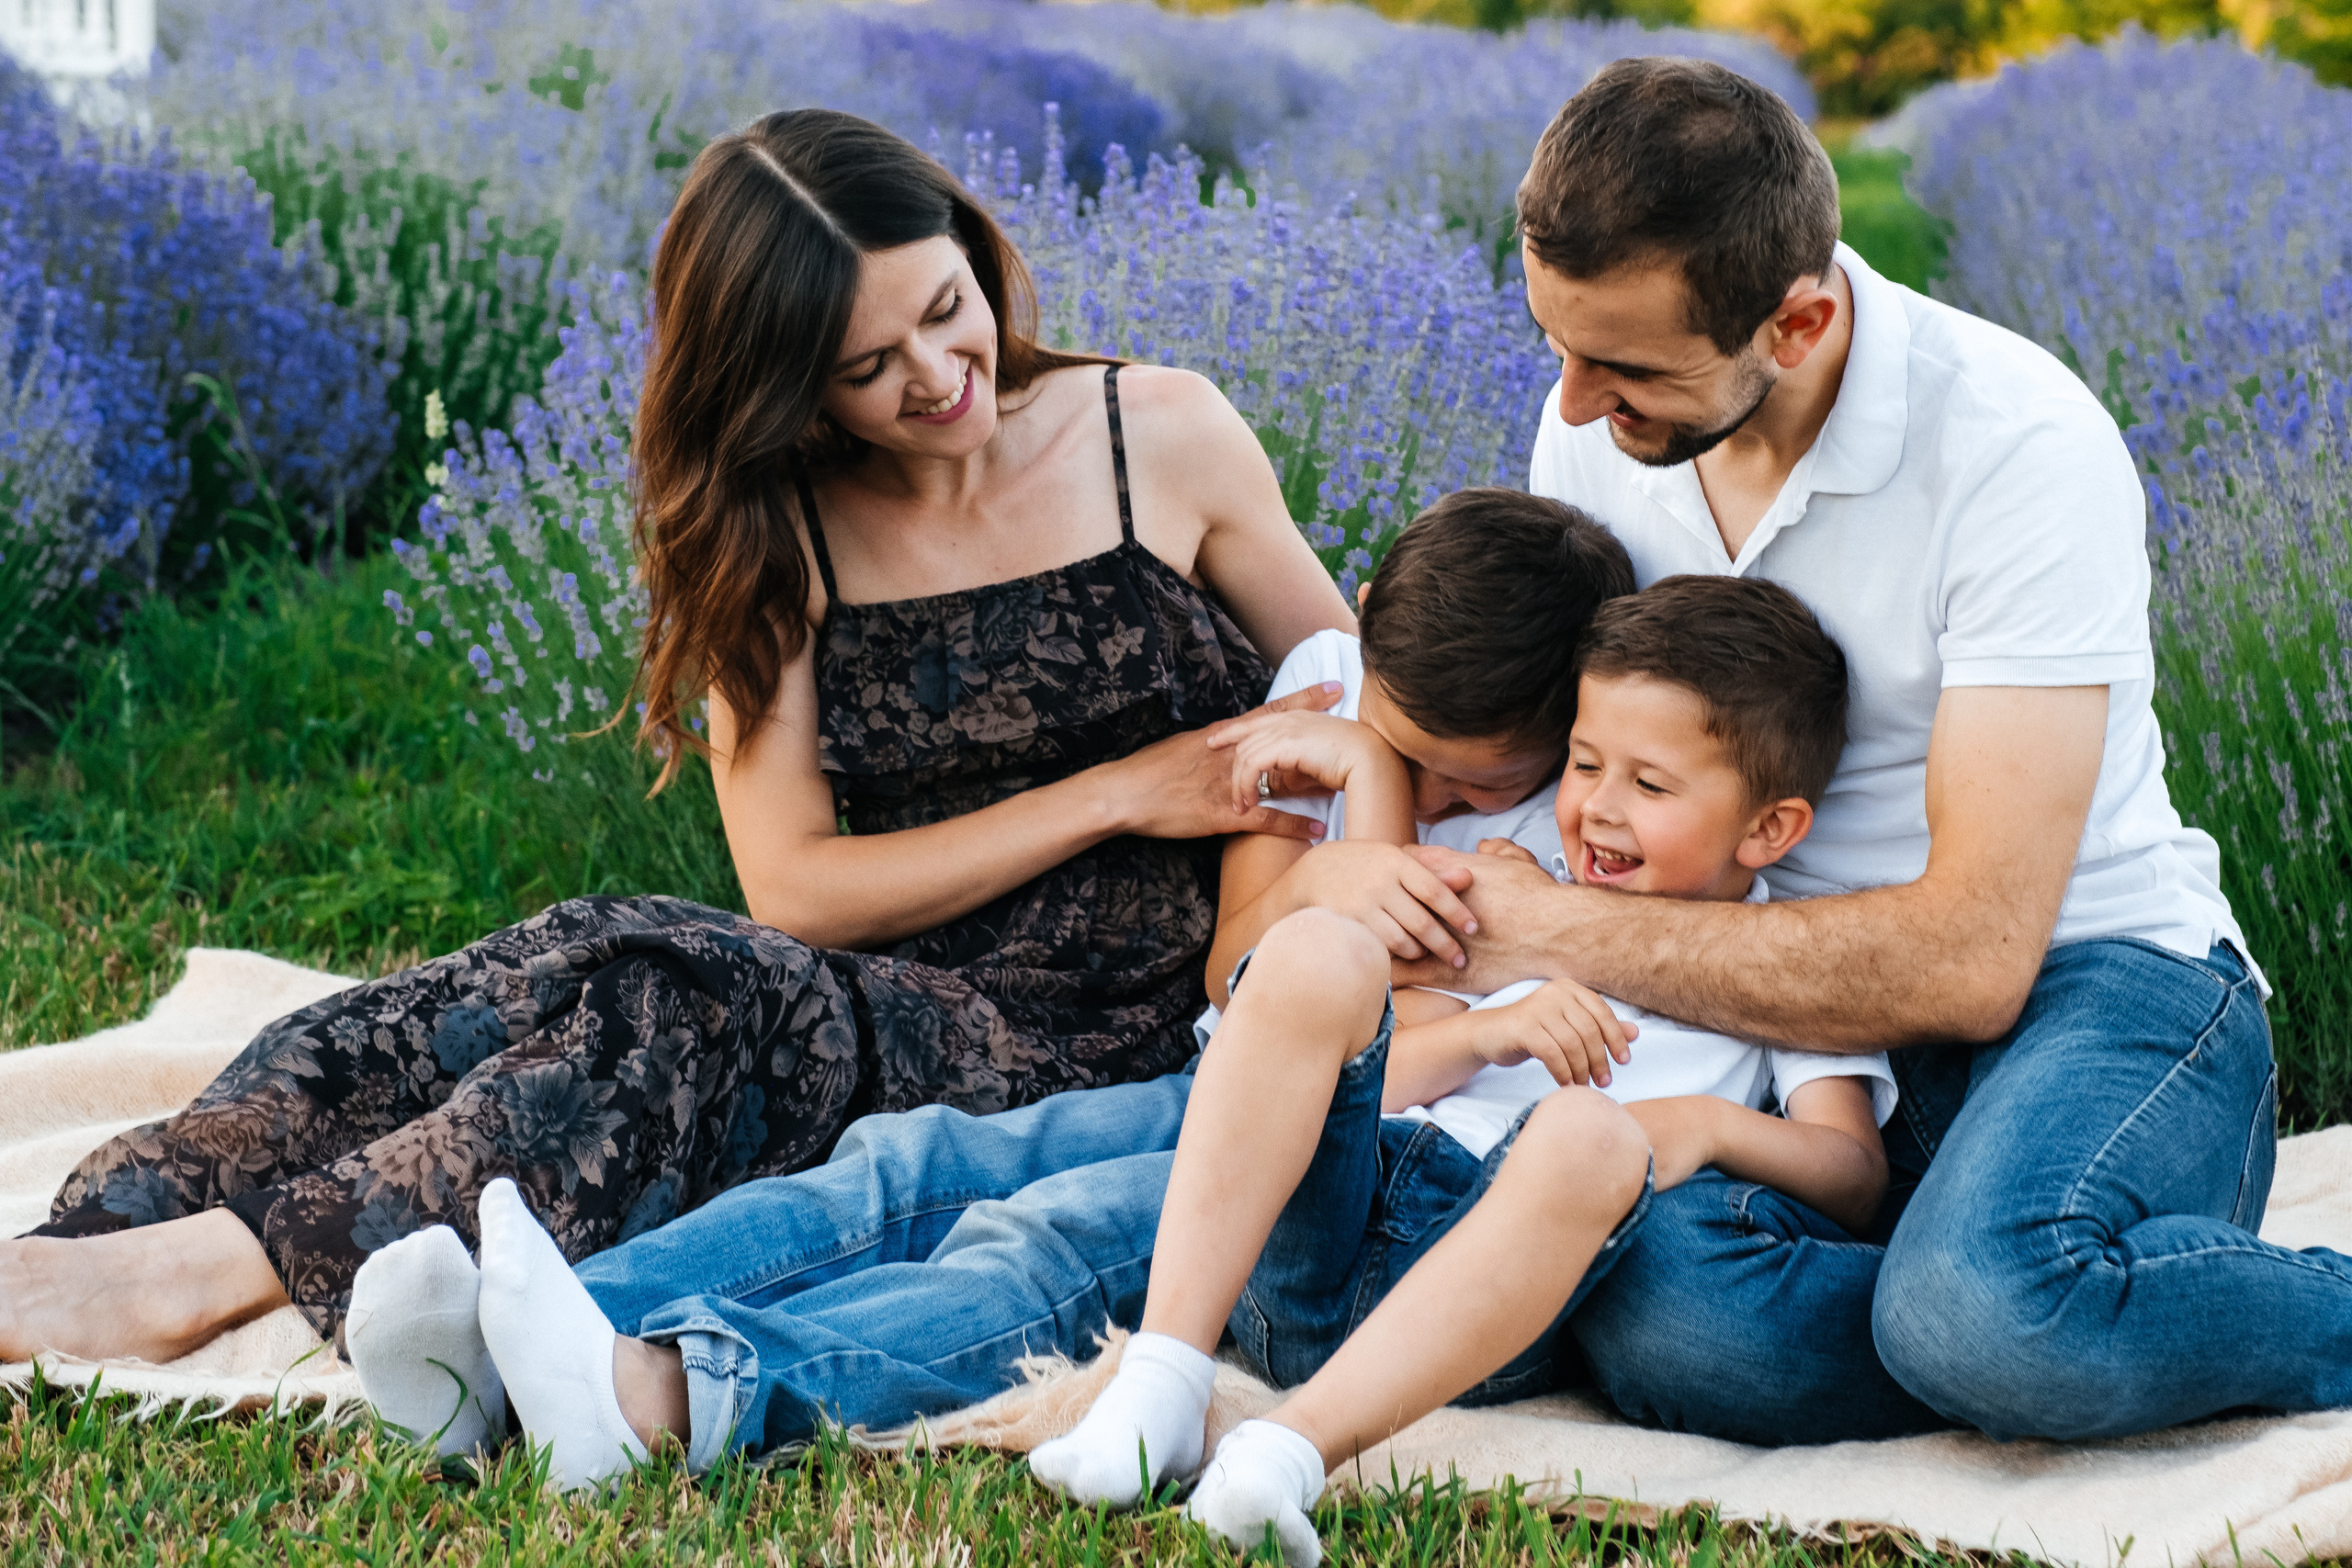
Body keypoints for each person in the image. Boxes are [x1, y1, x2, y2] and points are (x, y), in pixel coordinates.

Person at [0, 109, 1358, 1379]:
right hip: (883, 991)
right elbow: (800, 890)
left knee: (683, 1000)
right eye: (868, 370)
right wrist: (1123, 787)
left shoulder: (1161, 435)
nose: (943, 378)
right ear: (785, 389)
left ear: (974, 247)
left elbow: (1351, 699)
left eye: (950, 311)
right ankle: (128, 1206)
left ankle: (207, 1274)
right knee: (580, 953)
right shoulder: (781, 528)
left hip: (1115, 1036)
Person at [1399, 56, 2340, 1445]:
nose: (1578, 405)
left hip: (2099, 987)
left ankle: (2008, 1297)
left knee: (1979, 1310)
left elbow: (1973, 956)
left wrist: (1560, 925)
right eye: (1560, 347)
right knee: (1673, 1316)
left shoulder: (2016, 443)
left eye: (1627, 366)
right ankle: (2000, 1294)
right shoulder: (1599, 428)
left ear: (1801, 317)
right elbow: (1541, 739)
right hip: (1793, 1045)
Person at [339, 489, 1645, 1481]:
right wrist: (1360, 772)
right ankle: (547, 1325)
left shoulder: (1570, 827)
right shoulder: (1329, 700)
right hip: (1224, 1079)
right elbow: (1243, 962)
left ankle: (671, 1395)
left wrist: (1372, 802)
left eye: (1474, 783)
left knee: (1052, 1239)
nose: (1444, 803)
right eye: (1407, 755)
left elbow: (1378, 1055)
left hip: (1343, 1164)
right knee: (914, 1164)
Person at [1027, 573, 1895, 1565]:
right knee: (1319, 952)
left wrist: (1703, 1124)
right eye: (1582, 764)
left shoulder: (1791, 966)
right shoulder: (1529, 895)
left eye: (1649, 786)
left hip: (1491, 1301)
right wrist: (1493, 1031)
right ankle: (1162, 1387)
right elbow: (1367, 1078)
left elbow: (1855, 1175)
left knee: (1588, 1131)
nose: (1598, 810)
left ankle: (1285, 1453)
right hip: (1325, 1237)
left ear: (1767, 829)